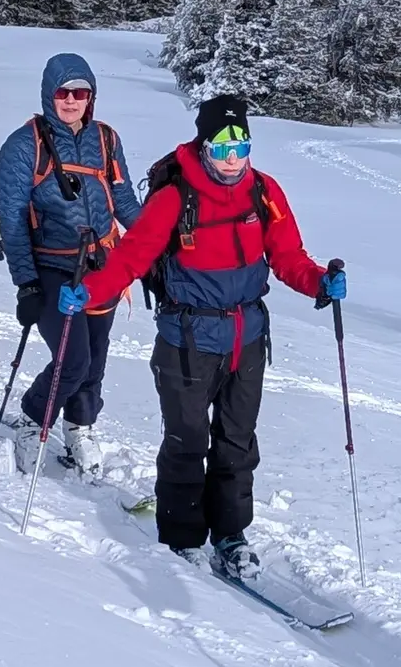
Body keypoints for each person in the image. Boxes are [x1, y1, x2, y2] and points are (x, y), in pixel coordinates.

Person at [56, 92, 343, 583]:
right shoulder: (175, 197)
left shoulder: (264, 192)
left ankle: (231, 535)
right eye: (222, 148)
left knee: (237, 442)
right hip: (186, 339)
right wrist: (89, 292)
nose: (232, 159)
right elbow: (131, 258)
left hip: (246, 338)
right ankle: (183, 539)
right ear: (204, 146)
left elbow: (288, 255)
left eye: (241, 147)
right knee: (186, 442)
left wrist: (319, 282)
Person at [0, 52, 141, 477]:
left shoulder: (106, 139)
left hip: (103, 264)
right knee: (72, 359)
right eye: (64, 92)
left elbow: (123, 199)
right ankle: (32, 418)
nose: (72, 100)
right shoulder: (24, 145)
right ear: (49, 94)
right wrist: (26, 283)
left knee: (95, 356)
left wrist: (157, 238)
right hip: (52, 268)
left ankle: (80, 424)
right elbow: (13, 220)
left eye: (81, 93)